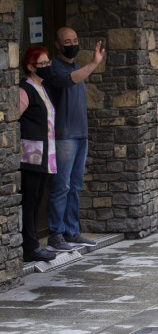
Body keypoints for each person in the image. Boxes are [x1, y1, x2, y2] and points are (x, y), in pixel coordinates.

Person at [44, 27, 104, 252]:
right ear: (57, 45)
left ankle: (71, 231)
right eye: (67, 41)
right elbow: (70, 80)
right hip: (64, 136)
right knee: (61, 186)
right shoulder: (53, 67)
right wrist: (94, 63)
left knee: (74, 186)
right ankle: (55, 234)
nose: (72, 44)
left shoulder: (75, 65)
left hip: (80, 135)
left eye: (75, 40)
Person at [18, 47, 58, 262]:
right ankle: (30, 246)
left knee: (36, 200)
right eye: (42, 64)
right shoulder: (25, 89)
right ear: (31, 67)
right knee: (30, 200)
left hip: (45, 154)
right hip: (31, 155)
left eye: (47, 62)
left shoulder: (43, 88)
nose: (47, 67)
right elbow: (15, 116)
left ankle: (33, 244)